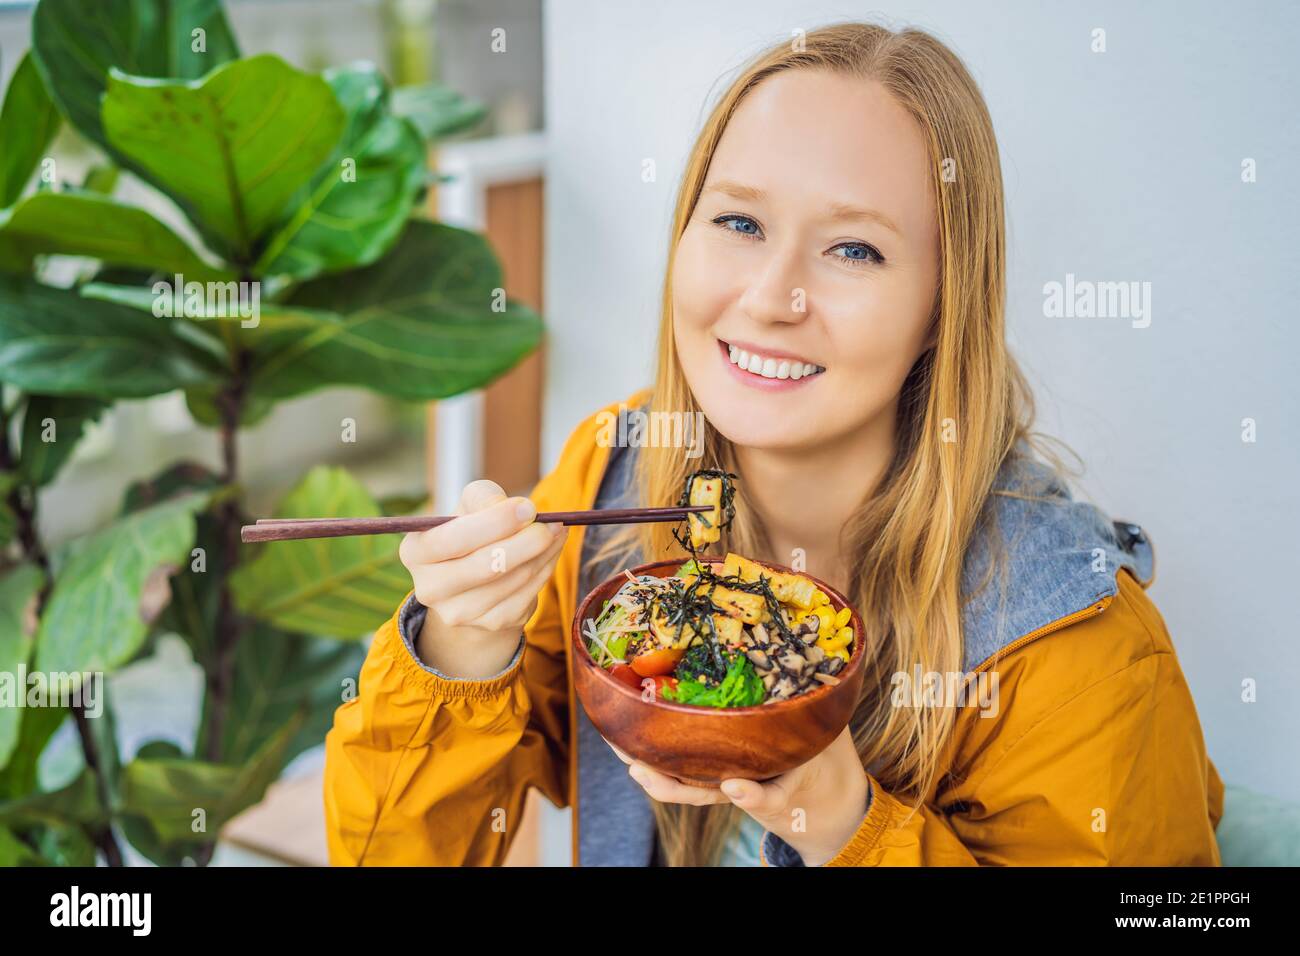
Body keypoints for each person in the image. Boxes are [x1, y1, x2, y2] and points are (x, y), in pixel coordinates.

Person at [323, 21, 1223, 866]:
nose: (770, 296)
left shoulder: (1078, 647)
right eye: (741, 224)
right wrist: (461, 645)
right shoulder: (612, 472)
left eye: (855, 251)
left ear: (943, 311)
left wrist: (842, 824)